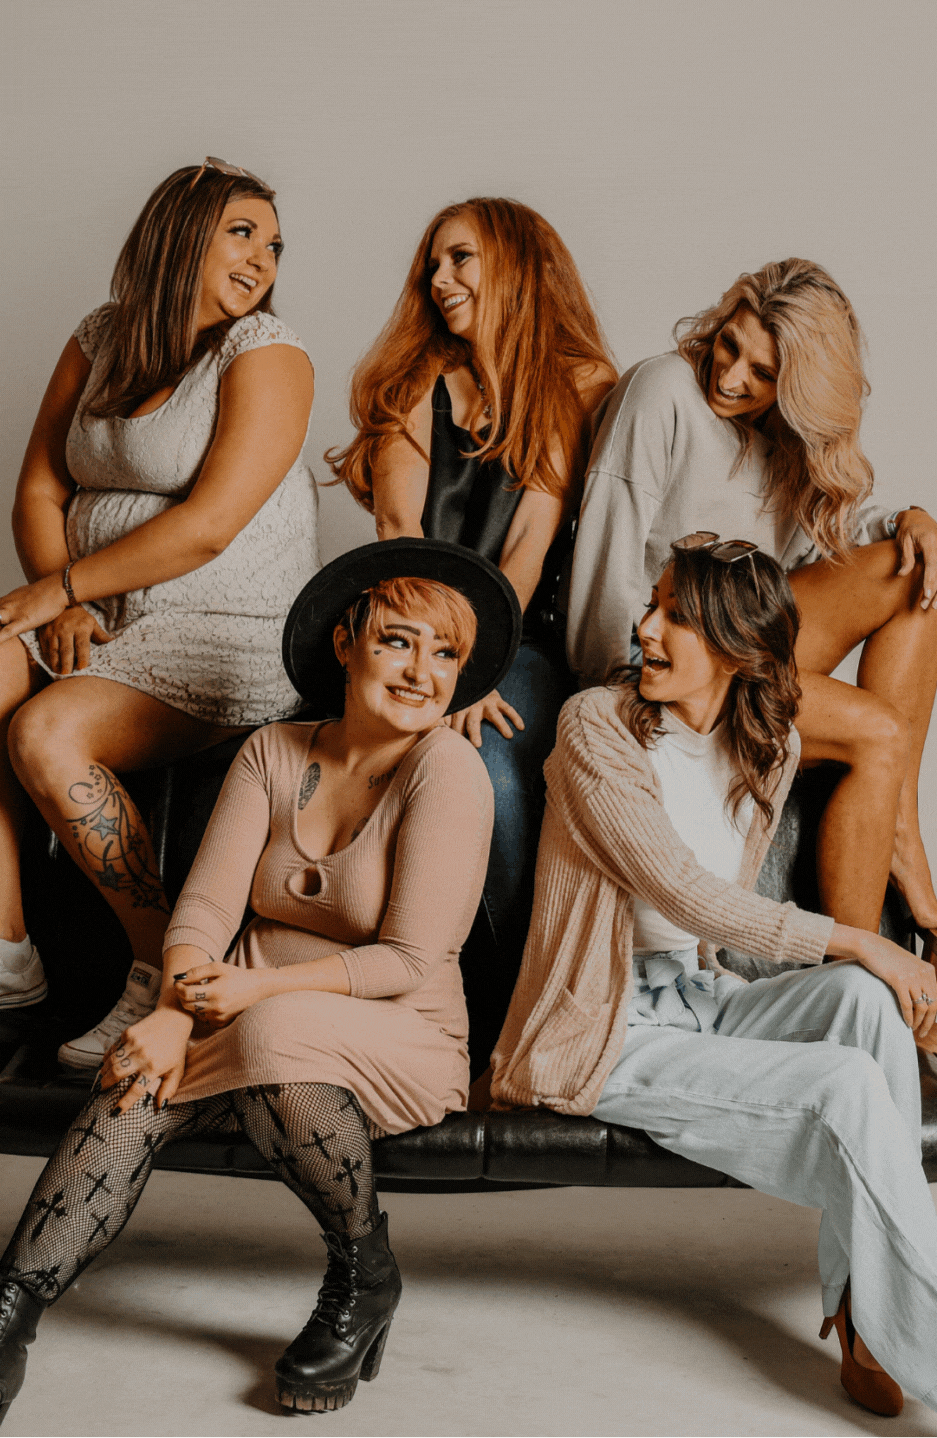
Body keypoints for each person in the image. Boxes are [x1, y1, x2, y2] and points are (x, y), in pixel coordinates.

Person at [0, 538, 519, 1429]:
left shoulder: (446, 769)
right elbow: (198, 920)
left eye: (445, 652)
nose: (422, 671)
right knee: (130, 1087)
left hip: (399, 1030)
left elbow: (412, 962)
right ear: (346, 643)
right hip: (241, 1008)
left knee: (268, 1042)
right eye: (398, 640)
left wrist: (233, 1001)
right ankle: (0, 1325)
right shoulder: (272, 753)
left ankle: (361, 1270)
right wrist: (166, 1018)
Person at [492, 538, 937, 1416]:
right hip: (606, 1026)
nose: (646, 627)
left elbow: (712, 929)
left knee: (863, 1007)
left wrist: (866, 965)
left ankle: (863, 1316)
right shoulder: (596, 726)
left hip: (701, 1001)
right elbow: (683, 891)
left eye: (677, 616)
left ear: (738, 648)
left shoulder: (765, 747)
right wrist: (865, 939)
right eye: (652, 605)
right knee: (848, 1067)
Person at [0, 159, 320, 1067]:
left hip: (223, 629)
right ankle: (3, 950)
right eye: (242, 232)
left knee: (47, 733)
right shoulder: (100, 335)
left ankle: (169, 967)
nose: (263, 257)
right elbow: (40, 488)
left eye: (273, 243)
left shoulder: (269, 352)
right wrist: (60, 599)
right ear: (180, 232)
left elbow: (208, 529)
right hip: (93, 614)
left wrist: (60, 590)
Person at [567, 258, 937, 956]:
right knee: (878, 733)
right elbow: (608, 564)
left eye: (762, 373)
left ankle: (901, 828)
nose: (730, 377)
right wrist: (621, 697)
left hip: (740, 644)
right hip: (664, 661)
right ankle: (867, 973)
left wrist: (915, 517)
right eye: (729, 344)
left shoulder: (785, 441)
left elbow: (835, 531)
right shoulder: (665, 392)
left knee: (915, 564)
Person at [327, 198, 616, 1048]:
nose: (438, 281)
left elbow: (525, 553)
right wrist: (434, 661)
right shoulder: (417, 385)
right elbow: (398, 540)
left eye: (460, 260)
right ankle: (400, 1007)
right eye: (433, 265)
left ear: (516, 266)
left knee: (489, 760)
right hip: (411, 625)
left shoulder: (578, 386)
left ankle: (504, 1020)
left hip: (513, 638)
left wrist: (477, 668)